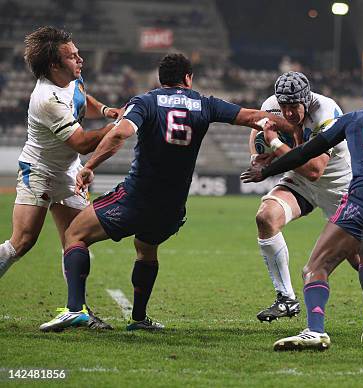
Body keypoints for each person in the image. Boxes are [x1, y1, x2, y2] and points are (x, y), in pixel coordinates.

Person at [39, 53, 295, 332]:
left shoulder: (146, 101)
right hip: (173, 207)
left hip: (137, 197)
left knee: (75, 235)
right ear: (188, 78)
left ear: (161, 80)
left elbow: (119, 134)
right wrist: (295, 130)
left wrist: (89, 166)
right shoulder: (204, 103)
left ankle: (75, 309)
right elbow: (255, 118)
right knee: (146, 249)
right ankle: (138, 319)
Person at [242, 79, 363, 350]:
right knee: (266, 217)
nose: (289, 112)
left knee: (352, 257)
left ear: (307, 99)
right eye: (284, 106)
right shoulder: (272, 105)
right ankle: (286, 298)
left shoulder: (329, 111)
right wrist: (262, 156)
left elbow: (315, 168)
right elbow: (259, 132)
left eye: (295, 106)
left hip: (338, 184)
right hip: (303, 183)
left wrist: (274, 150)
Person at [0, 26, 121, 329]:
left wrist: (105, 111)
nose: (80, 58)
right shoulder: (46, 99)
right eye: (72, 56)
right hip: (39, 171)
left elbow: (82, 97)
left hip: (68, 171)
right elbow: (82, 142)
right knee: (22, 242)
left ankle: (77, 310)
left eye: (78, 52)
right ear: (54, 65)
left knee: (76, 240)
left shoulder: (72, 77)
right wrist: (121, 126)